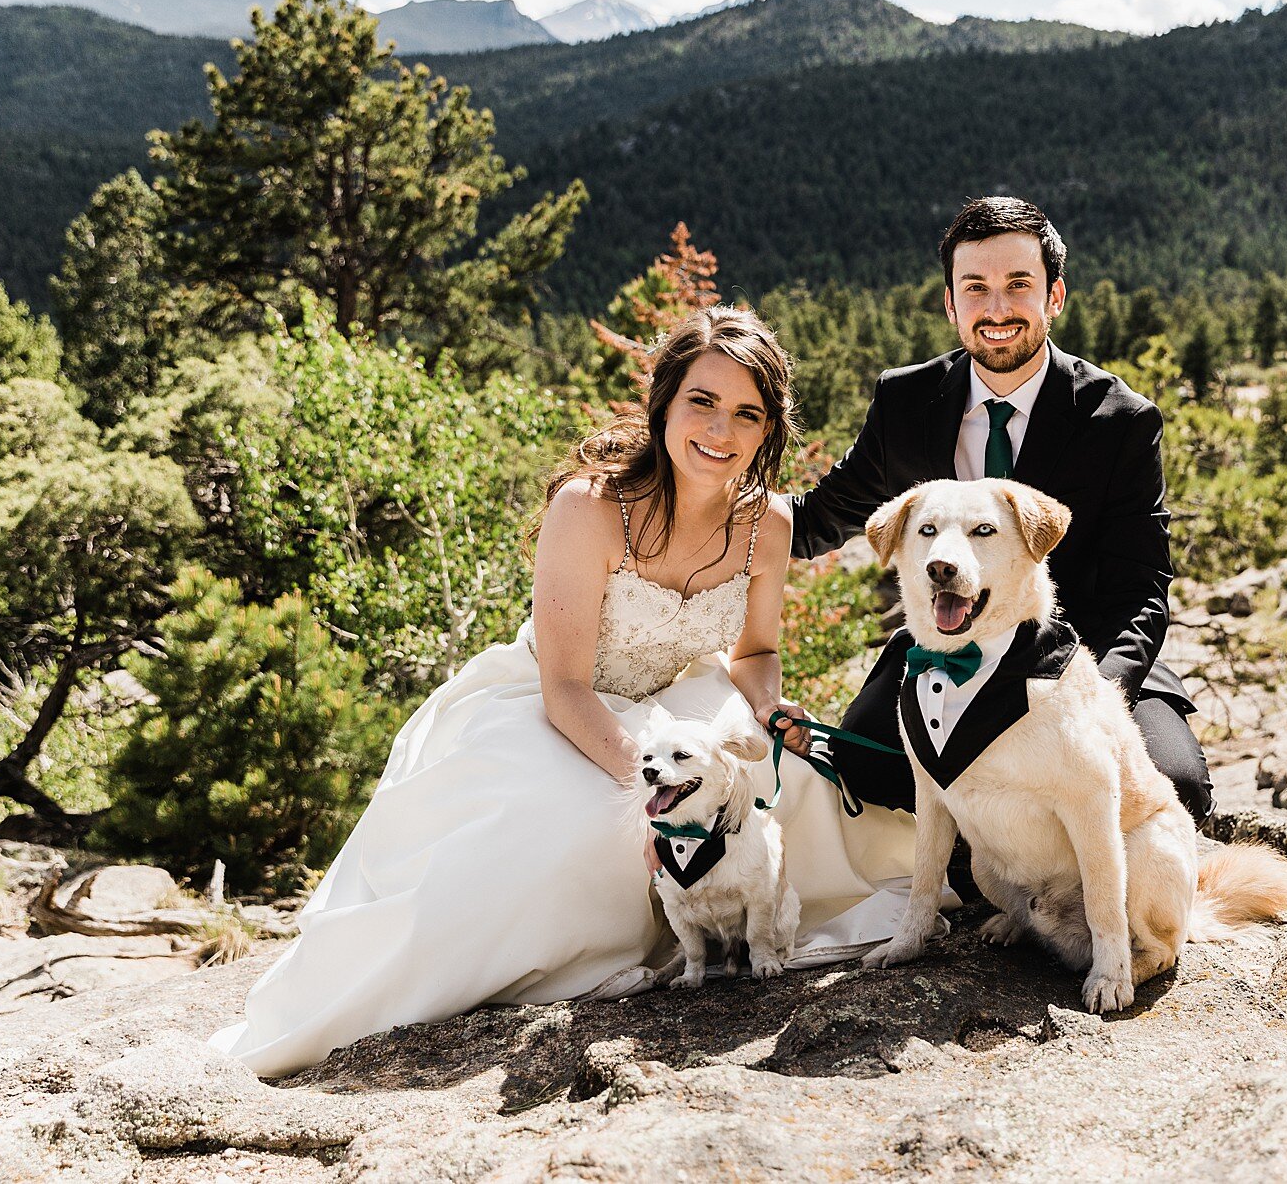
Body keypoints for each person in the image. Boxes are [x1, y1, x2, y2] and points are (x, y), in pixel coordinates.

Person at [212, 308, 921, 1079]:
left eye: (747, 413)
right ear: (664, 403)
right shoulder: (590, 506)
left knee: (766, 786)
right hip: (558, 705)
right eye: (702, 402)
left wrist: (770, 704)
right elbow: (565, 684)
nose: (722, 429)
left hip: (678, 698)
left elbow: (755, 650)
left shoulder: (770, 523)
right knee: (582, 840)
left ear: (768, 428)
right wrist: (655, 797)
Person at [785, 196, 1215, 824]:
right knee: (867, 762)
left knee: (1173, 784)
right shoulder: (904, 402)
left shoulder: (1120, 420)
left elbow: (1140, 589)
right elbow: (821, 516)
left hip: (1081, 655)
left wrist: (1086, 698)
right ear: (950, 304)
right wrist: (701, 522)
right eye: (975, 288)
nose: (996, 309)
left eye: (1018, 285)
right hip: (942, 654)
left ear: (1055, 296)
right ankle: (984, 879)